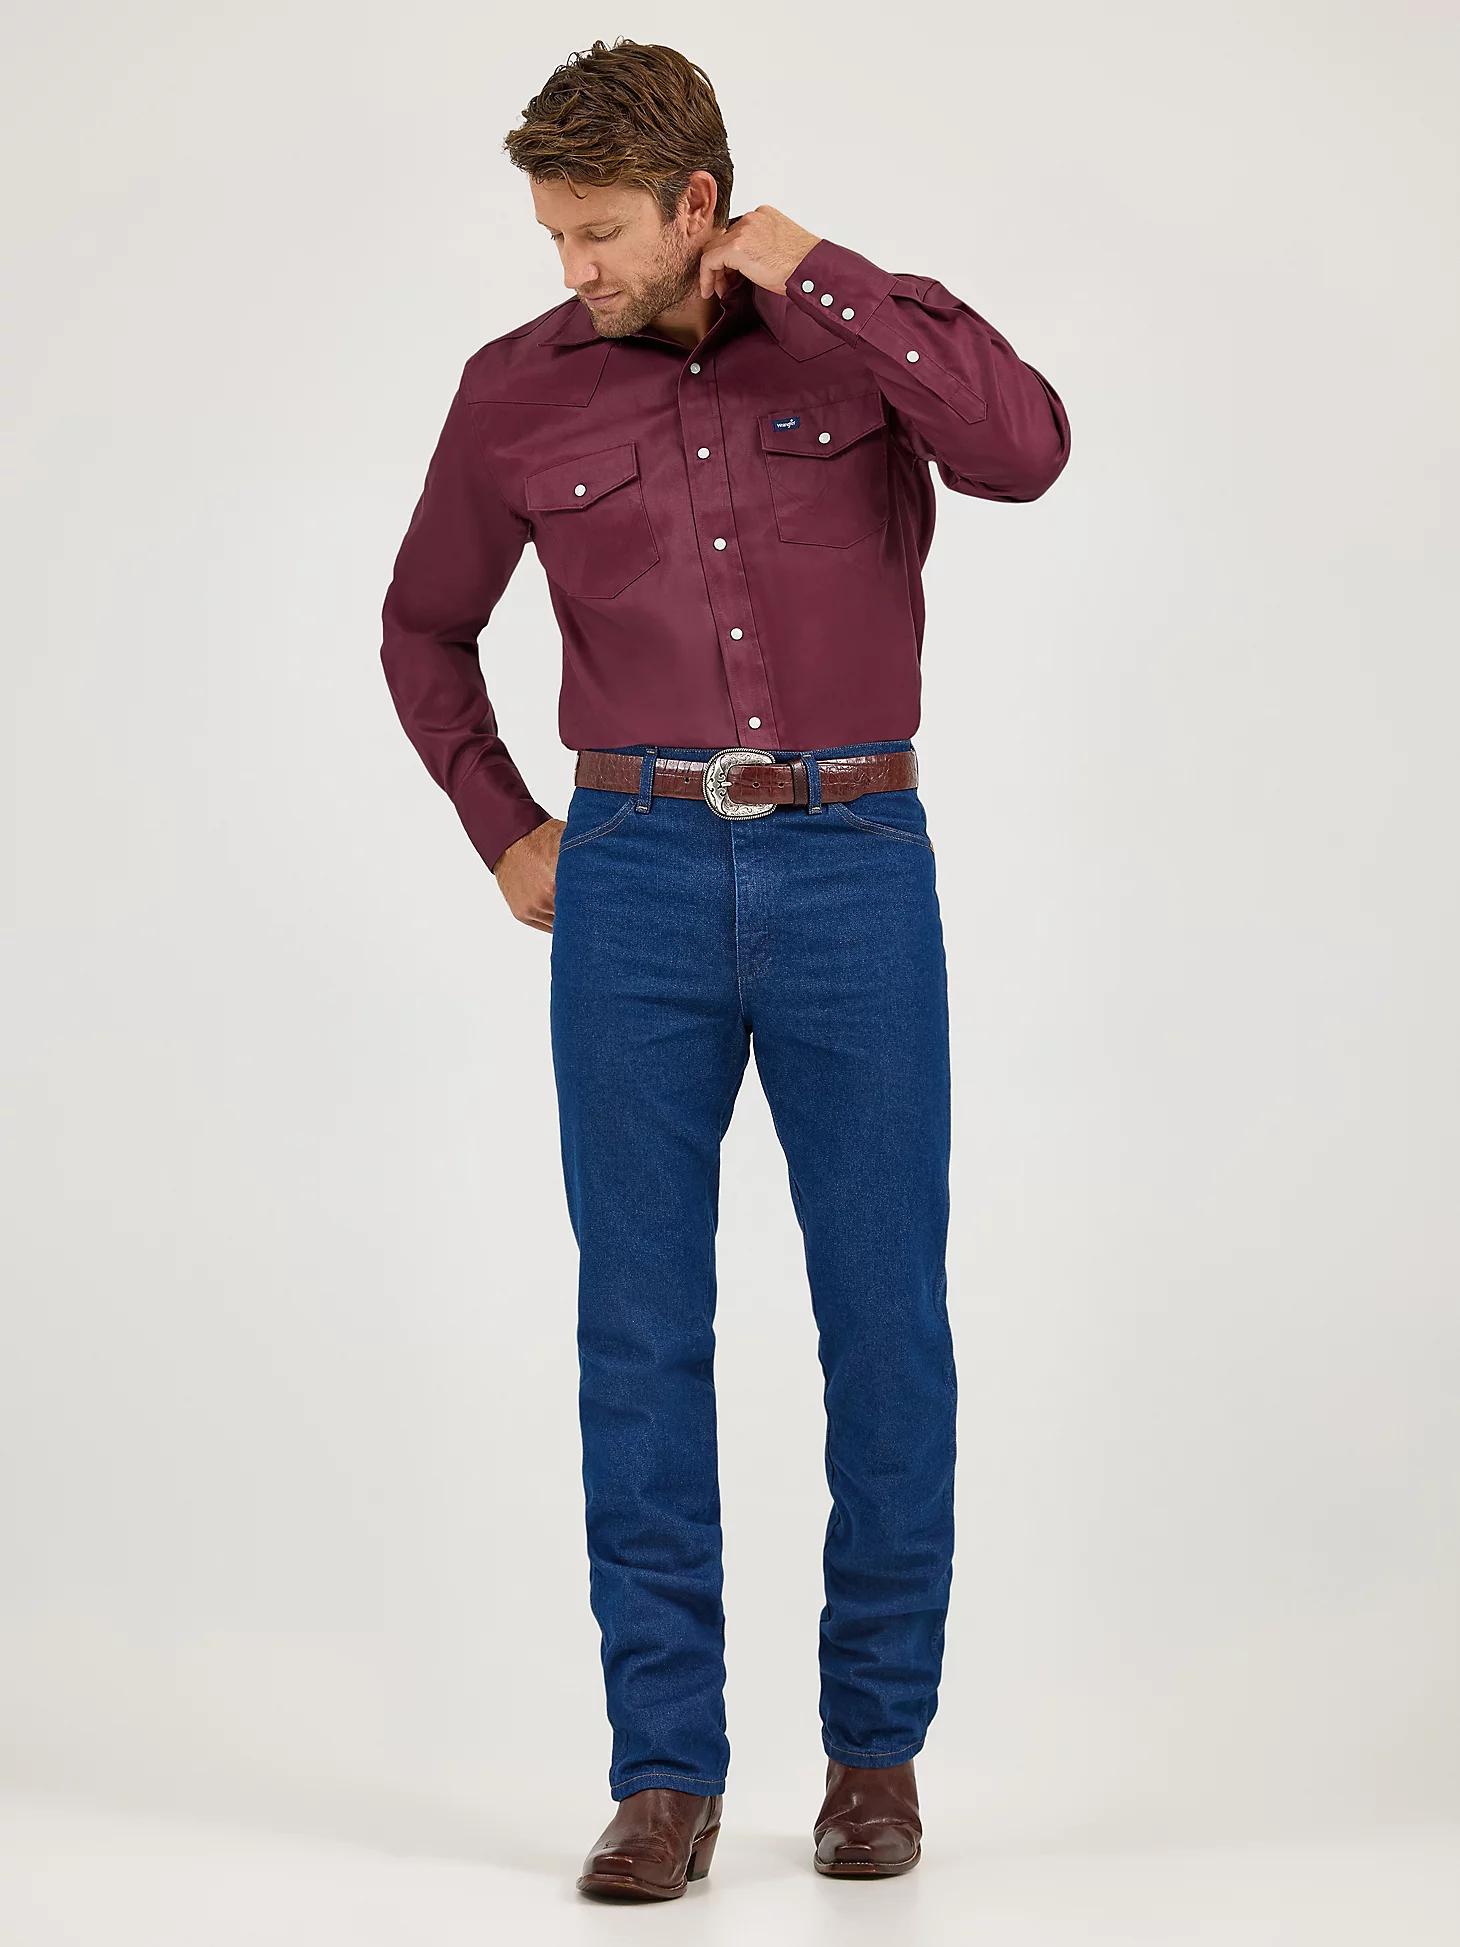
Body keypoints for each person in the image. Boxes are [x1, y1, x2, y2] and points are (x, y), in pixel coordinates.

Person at [379, 35, 1070, 1899]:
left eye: (601, 230)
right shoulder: (512, 392)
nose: (573, 267)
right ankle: (665, 1773)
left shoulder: (855, 345)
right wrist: (505, 827)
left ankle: (875, 1760)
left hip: (855, 864)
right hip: (634, 881)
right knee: (639, 1327)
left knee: (886, 1320)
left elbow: (1024, 451)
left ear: (698, 205)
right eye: (553, 233)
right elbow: (423, 628)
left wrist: (820, 270)